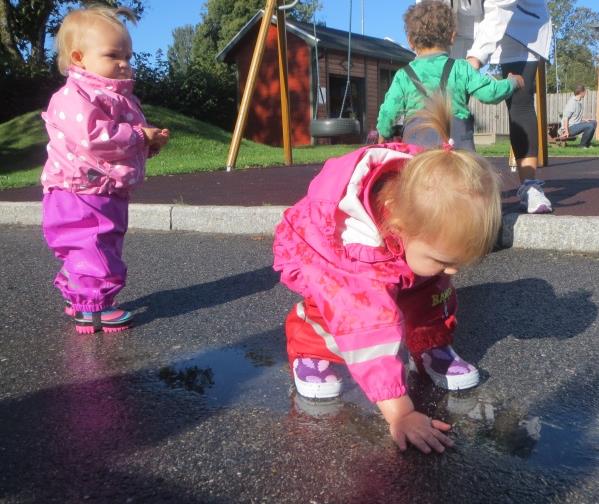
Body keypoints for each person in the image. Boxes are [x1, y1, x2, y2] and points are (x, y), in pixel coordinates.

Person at [273, 98, 502, 454]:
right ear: (399, 223)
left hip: (396, 249)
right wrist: (400, 412)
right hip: (323, 248)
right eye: (445, 259)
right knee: (339, 308)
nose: (455, 270)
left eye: (460, 261)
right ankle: (309, 343)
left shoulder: (427, 199)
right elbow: (367, 328)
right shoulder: (357, 255)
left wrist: (436, 266)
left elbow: (433, 266)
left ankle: (429, 342)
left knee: (431, 288)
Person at [41, 6, 169, 333]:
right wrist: (139, 135)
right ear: (79, 57)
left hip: (102, 189)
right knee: (94, 246)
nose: (124, 62)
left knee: (99, 244)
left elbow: (117, 147)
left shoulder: (117, 97)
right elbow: (94, 138)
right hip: (80, 192)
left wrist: (147, 145)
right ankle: (92, 309)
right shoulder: (74, 95)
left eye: (128, 55)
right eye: (113, 54)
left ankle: (80, 295)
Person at [441, 0, 554, 214]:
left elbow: (499, 10)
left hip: (516, 18)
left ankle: (529, 186)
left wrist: (473, 62)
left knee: (520, 97)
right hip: (460, 20)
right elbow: (430, 7)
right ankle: (449, 184)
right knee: (446, 96)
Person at [377, 1, 523, 151]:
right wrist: (512, 83)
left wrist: (383, 135)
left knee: (411, 173)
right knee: (470, 172)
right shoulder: (461, 68)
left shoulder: (404, 76)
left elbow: (389, 112)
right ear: (452, 36)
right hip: (457, 146)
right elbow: (490, 93)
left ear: (410, 41)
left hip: (418, 151)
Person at [560, 85, 597, 149]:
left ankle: (587, 143)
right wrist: (566, 131)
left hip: (575, 125)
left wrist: (584, 120)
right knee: (590, 126)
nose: (585, 93)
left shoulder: (578, 102)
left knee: (594, 122)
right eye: (585, 92)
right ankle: (582, 145)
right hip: (569, 128)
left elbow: (575, 117)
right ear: (581, 92)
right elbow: (566, 118)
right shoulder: (572, 103)